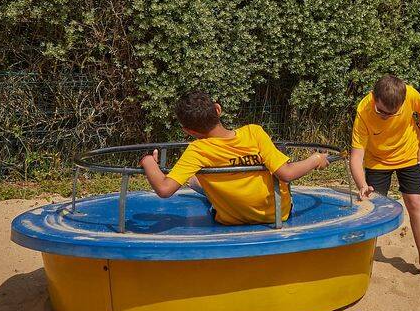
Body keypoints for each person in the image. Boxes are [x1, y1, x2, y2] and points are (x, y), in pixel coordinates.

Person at [139, 90, 328, 226]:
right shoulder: (254, 133)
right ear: (218, 109)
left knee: (199, 180)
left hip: (230, 220)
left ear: (188, 131)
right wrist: (316, 158)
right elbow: (286, 173)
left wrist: (148, 161)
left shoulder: (197, 150)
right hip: (277, 215)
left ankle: (194, 182)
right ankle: (195, 182)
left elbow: (164, 189)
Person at [350, 74, 420, 281]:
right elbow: (356, 156)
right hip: (377, 160)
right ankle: (364, 260)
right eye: (381, 112)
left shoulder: (410, 94)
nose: (385, 117)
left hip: (409, 154)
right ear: (374, 97)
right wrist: (362, 184)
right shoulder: (363, 110)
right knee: (370, 207)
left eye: (392, 114)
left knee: (415, 202)